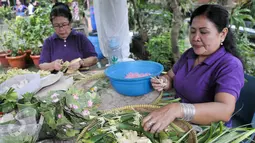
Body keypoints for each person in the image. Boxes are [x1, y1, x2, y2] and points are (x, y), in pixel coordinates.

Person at [142, 4, 244, 133]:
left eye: (204, 32)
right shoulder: (190, 54)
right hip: (179, 120)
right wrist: (164, 82)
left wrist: (178, 109)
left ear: (222, 34)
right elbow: (170, 76)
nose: (195, 38)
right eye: (192, 31)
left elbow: (224, 110)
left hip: (207, 130)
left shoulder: (230, 65)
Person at [39, 2, 98, 72]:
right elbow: (42, 65)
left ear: (70, 23)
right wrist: (52, 65)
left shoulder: (79, 38)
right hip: (59, 80)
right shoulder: (49, 42)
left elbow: (94, 59)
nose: (61, 29)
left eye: (64, 24)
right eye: (56, 25)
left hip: (81, 79)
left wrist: (81, 62)